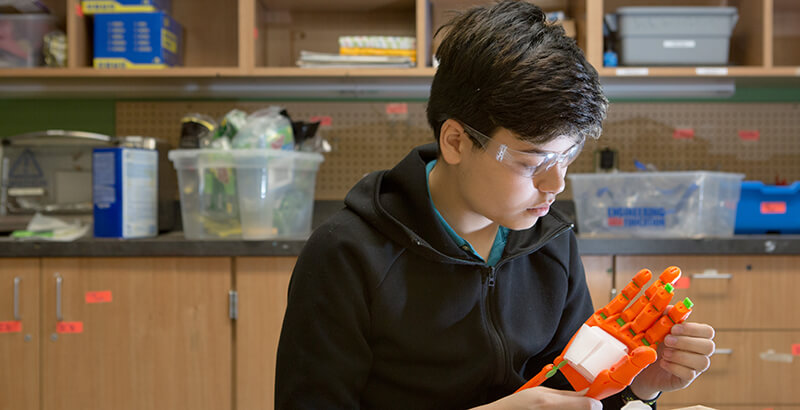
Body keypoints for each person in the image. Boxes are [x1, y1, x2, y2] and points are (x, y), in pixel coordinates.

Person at [275, 1, 715, 409]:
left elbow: (571, 392)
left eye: (568, 156)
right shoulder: (346, 255)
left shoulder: (550, 243)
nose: (556, 183)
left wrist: (639, 382)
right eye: (532, 161)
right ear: (456, 141)